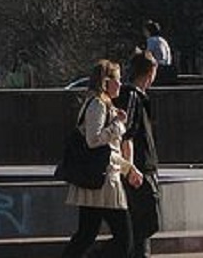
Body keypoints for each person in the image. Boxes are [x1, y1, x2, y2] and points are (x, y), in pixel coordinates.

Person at [62, 59, 142, 258]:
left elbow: (109, 151)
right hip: (103, 183)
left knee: (86, 235)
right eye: (117, 79)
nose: (120, 84)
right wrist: (116, 125)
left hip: (101, 181)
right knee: (124, 240)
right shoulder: (98, 104)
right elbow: (93, 140)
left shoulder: (103, 105)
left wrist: (128, 168)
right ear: (106, 81)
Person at [115, 51, 161, 257]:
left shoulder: (135, 96)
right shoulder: (132, 96)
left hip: (143, 168)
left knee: (142, 224)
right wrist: (130, 168)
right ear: (150, 72)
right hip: (141, 169)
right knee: (145, 222)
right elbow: (127, 135)